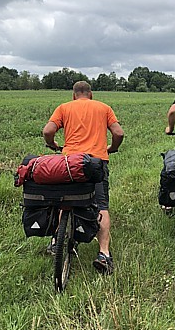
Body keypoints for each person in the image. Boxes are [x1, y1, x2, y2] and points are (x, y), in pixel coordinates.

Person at [42, 81, 124, 275]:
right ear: (91, 94)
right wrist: (112, 148)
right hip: (96, 162)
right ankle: (104, 254)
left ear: (73, 95)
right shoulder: (103, 108)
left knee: (65, 200)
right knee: (101, 205)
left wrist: (53, 144)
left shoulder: (64, 108)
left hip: (70, 162)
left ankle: (57, 241)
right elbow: (119, 132)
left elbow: (47, 131)